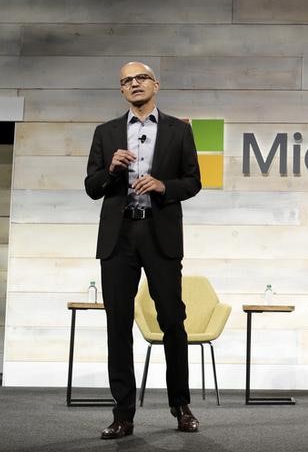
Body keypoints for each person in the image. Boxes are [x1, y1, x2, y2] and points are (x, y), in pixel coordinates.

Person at [84, 61, 202, 439]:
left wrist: (164, 186)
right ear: (121, 91)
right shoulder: (105, 133)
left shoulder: (178, 130)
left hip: (159, 233)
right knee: (117, 325)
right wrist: (113, 170)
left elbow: (193, 181)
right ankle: (123, 415)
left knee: (172, 321)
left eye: (140, 78)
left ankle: (181, 407)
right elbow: (92, 186)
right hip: (118, 238)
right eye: (126, 81)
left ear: (156, 84)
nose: (134, 84)